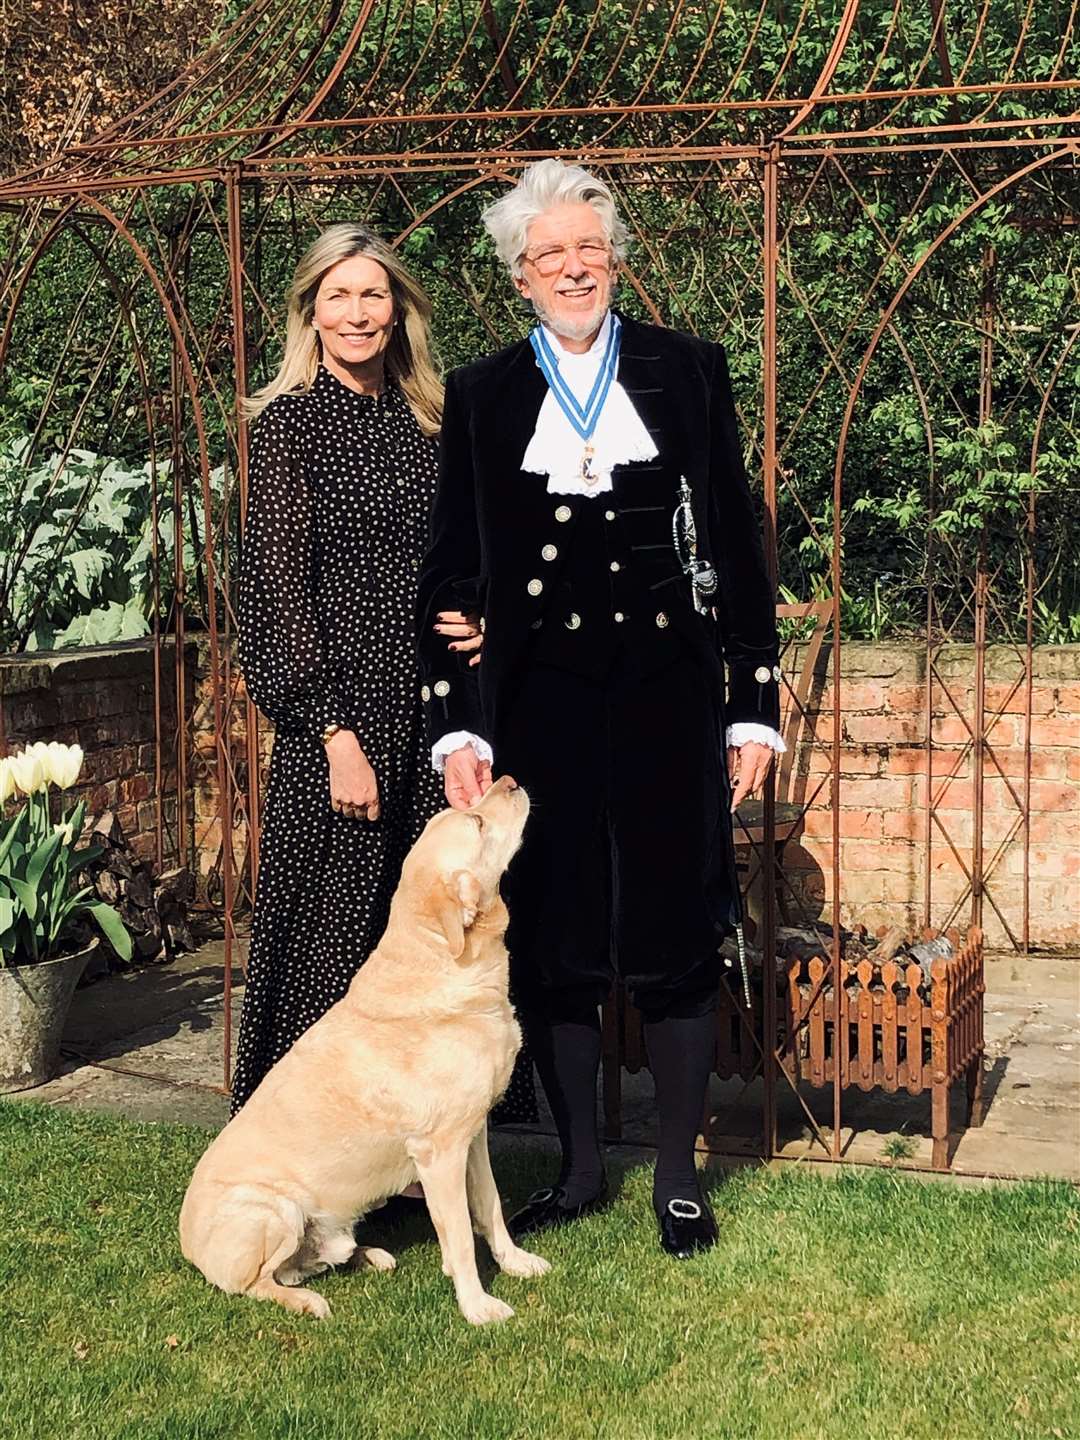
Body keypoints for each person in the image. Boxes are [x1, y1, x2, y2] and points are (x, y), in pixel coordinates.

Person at [417, 160, 785, 1259]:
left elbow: (734, 534)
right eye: (549, 256)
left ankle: (676, 1177)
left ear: (616, 261)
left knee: (675, 930)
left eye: (591, 249)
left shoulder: (685, 369)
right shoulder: (483, 395)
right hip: (542, 704)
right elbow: (453, 567)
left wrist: (752, 703)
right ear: (518, 277)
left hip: (670, 696)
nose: (573, 268)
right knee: (559, 942)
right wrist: (462, 720)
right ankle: (580, 1172)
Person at [230, 224, 482, 1117]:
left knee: (419, 942)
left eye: (372, 294)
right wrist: (332, 732)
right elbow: (273, 595)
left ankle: (410, 1142)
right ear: (311, 313)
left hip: (431, 716)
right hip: (339, 725)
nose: (356, 312)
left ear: (400, 310)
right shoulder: (291, 426)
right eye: (337, 296)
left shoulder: (433, 422)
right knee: (329, 943)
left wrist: (480, 616)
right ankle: (308, 1139)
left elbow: (467, 555)